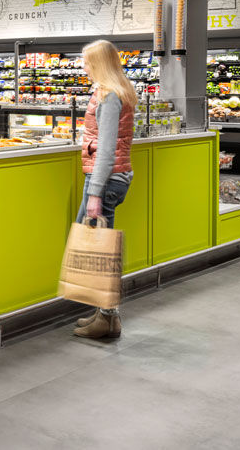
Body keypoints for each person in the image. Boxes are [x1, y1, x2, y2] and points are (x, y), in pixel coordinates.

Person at [72, 39, 137, 340]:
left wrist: (95, 193)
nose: (83, 67)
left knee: (101, 251)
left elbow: (108, 150)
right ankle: (103, 314)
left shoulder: (108, 96)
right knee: (99, 248)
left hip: (106, 179)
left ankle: (108, 319)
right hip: (112, 177)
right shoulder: (117, 90)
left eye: (87, 62)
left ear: (99, 63)